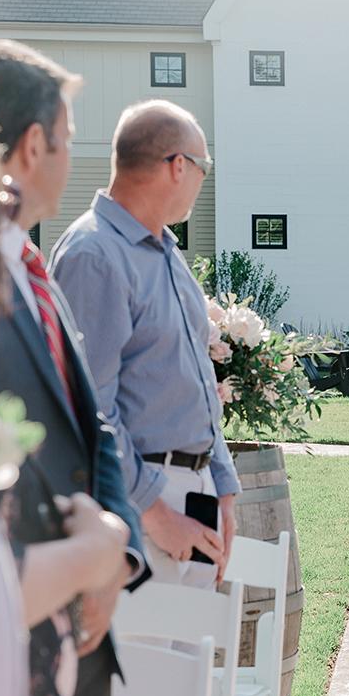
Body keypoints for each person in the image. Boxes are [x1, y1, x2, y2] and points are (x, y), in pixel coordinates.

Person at [0, 36, 148, 696]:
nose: (74, 162)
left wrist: (114, 556)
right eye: (68, 141)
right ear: (34, 146)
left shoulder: (37, 271)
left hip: (86, 632)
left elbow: (92, 423)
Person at [51, 99, 238, 597]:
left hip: (195, 496)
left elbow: (197, 373)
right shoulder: (93, 254)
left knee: (193, 670)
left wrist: (222, 484)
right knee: (148, 671)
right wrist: (154, 515)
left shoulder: (167, 254)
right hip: (139, 505)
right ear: (179, 166)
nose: (204, 179)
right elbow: (90, 407)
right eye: (205, 167)